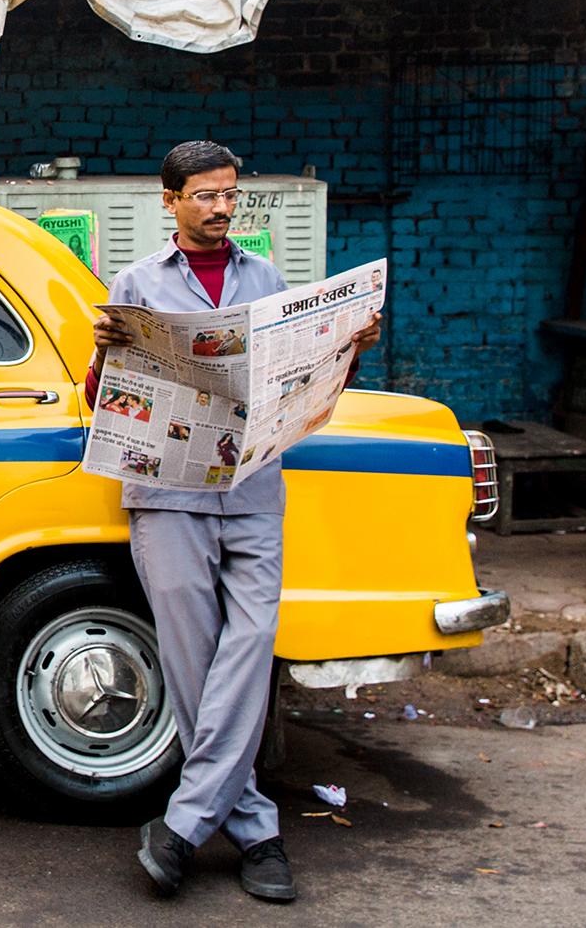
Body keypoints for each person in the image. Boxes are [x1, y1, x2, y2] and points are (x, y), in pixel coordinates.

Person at [86, 141, 380, 904]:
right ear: (171, 200)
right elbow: (102, 400)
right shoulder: (135, 282)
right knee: (193, 660)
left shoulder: (268, 279)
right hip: (169, 497)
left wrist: (347, 348)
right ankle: (256, 830)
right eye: (207, 195)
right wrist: (103, 357)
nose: (222, 208)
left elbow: (301, 388)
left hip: (252, 492)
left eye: (230, 195)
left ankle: (183, 825)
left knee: (250, 647)